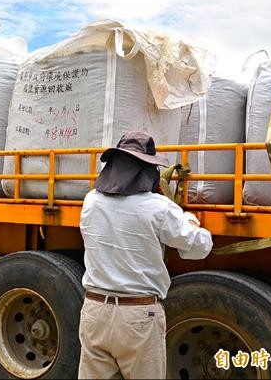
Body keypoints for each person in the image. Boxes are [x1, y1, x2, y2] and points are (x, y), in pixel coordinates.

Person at [77, 130, 213, 379]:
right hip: (137, 317)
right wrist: (190, 221)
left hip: (94, 311)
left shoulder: (90, 202)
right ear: (146, 170)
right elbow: (198, 247)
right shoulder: (158, 208)